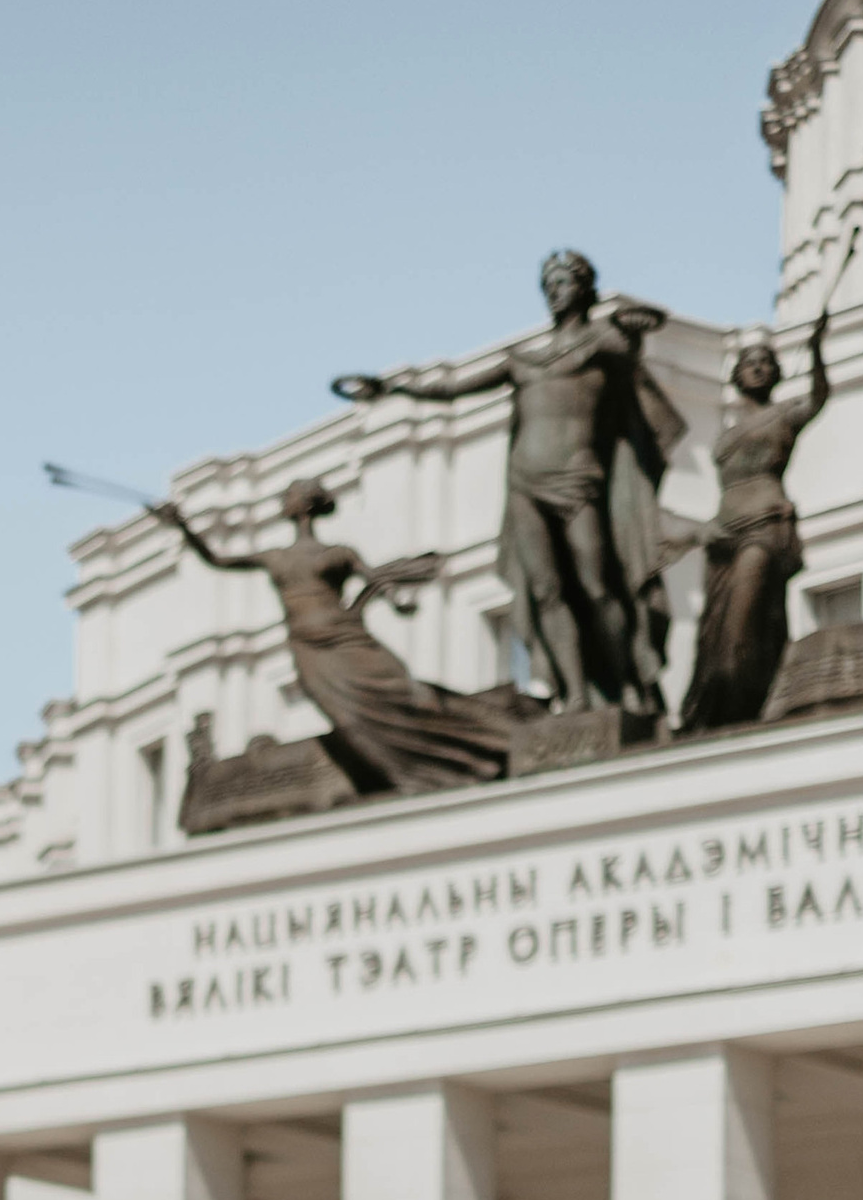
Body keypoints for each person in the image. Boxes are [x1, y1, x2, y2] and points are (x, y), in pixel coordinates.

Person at [339, 250, 682, 715]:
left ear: (585, 288)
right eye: (548, 285)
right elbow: (453, 389)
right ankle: (575, 694)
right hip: (525, 482)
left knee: (598, 585)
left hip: (579, 479)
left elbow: (631, 360)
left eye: (563, 282)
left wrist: (632, 328)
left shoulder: (601, 344)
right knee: (546, 591)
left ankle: (630, 681)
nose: (554, 293)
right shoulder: (522, 362)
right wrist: (393, 388)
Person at [154, 481, 513, 799]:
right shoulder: (274, 557)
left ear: (305, 505)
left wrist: (396, 601)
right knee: (350, 717)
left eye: (291, 495)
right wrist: (183, 526)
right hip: (310, 650)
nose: (285, 500)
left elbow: (374, 578)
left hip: (346, 639)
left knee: (406, 695)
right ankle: (415, 775)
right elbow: (219, 559)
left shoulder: (338, 553)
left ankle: (489, 741)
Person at [678, 315, 833, 736]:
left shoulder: (785, 413)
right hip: (724, 538)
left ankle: (746, 701)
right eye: (751, 361)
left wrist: (817, 350)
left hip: (764, 529)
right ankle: (714, 712)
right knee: (714, 634)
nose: (759, 366)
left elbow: (819, 398)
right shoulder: (724, 437)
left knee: (743, 623)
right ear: (736, 375)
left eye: (767, 361)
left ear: (778, 372)